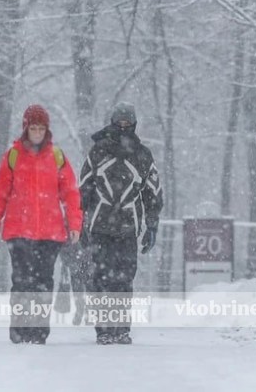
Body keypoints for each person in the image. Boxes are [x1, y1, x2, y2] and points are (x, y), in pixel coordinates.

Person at [0, 104, 83, 344]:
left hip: (50, 235)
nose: (37, 133)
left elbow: (71, 193)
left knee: (42, 283)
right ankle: (20, 331)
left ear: (46, 130)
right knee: (21, 281)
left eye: (41, 128)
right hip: (19, 232)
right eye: (34, 128)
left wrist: (74, 225)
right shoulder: (13, 155)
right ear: (26, 129)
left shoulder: (57, 156)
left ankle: (38, 332)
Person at [79, 102, 163, 345]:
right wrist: (80, 223)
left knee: (124, 280)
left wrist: (152, 224)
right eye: (120, 122)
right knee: (101, 280)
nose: (124, 127)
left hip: (128, 228)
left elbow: (152, 193)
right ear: (113, 122)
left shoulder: (143, 155)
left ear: (134, 124)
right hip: (99, 227)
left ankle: (121, 329)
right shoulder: (97, 152)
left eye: (128, 123)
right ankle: (103, 330)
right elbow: (83, 189)